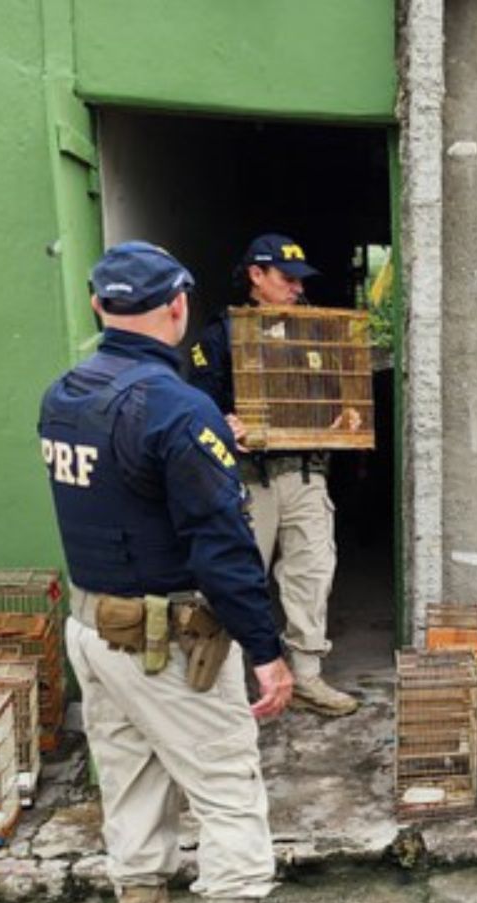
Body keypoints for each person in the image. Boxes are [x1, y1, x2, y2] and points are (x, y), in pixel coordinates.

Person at [40, 241, 315, 903]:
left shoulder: (64, 395)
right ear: (177, 307)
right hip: (168, 640)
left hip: (95, 631)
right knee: (227, 788)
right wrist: (268, 653)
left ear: (98, 307)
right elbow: (222, 547)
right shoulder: (175, 408)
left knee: (131, 787)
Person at [186, 233, 358, 717]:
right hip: (247, 477)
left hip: (305, 473)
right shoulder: (221, 334)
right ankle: (221, 688)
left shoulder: (313, 331)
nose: (296, 289)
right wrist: (222, 419)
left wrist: (346, 412)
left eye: (300, 281)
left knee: (312, 573)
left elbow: (337, 391)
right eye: (287, 279)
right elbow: (196, 402)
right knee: (237, 576)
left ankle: (306, 677)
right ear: (256, 276)